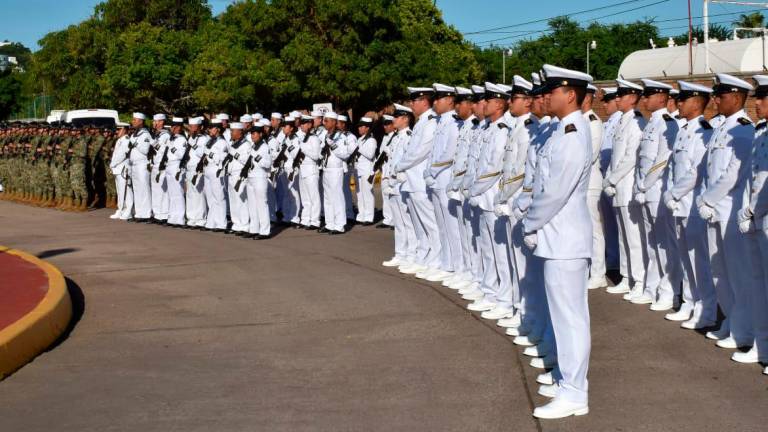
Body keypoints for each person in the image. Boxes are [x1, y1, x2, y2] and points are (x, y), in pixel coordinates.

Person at [523, 64, 593, 420]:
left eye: (552, 91)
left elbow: (554, 192)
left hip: (565, 238)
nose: (545, 97)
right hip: (559, 237)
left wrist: (530, 222)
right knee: (564, 316)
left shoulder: (572, 133)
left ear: (570, 95)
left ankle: (575, 392)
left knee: (571, 318)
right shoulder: (563, 132)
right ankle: (568, 381)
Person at [698, 73, 759, 350]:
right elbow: (710, 170)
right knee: (718, 269)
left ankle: (743, 330)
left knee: (737, 273)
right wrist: (706, 200)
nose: (715, 100)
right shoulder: (724, 126)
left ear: (736, 98)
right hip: (714, 210)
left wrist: (709, 200)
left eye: (720, 96)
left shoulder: (743, 129)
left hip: (728, 209)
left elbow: (733, 173)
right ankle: (730, 320)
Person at [662, 81, 718, 325]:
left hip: (692, 205)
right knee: (685, 258)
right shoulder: (685, 129)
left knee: (699, 261)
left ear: (696, 103)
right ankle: (689, 302)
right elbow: (676, 167)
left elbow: (696, 171)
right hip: (678, 205)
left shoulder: (703, 131)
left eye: (683, 100)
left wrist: (674, 193)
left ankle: (706, 309)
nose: (678, 104)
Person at [733, 74, 768, 367]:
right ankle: (762, 344)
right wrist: (748, 209)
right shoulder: (760, 132)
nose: (756, 103)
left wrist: (751, 210)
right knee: (758, 285)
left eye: (762, 97)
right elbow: (750, 178)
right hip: (757, 219)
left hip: (763, 217)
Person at [604, 79, 647, 296]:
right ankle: (626, 276)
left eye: (621, 95)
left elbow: (631, 157)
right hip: (617, 188)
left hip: (627, 186)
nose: (617, 99)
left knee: (633, 237)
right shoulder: (622, 120)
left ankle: (639, 280)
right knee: (622, 236)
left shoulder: (637, 122)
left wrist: (611, 179)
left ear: (632, 98)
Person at [395, 87, 442, 277]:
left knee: (430, 224)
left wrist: (400, 166)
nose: (411, 105)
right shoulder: (422, 122)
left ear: (424, 101)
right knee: (419, 224)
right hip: (412, 181)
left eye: (414, 101)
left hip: (420, 181)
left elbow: (420, 151)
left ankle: (435, 259)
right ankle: (423, 255)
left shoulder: (430, 122)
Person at [245, 124, 273, 239]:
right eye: (251, 133)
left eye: (254, 133)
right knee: (252, 205)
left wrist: (257, 157)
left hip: (260, 177)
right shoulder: (253, 146)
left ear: (260, 134)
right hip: (251, 177)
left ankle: (265, 231)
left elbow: (268, 164)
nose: (252, 136)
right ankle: (254, 228)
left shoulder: (264, 147)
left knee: (262, 204)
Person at [128, 113, 153, 222]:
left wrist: (135, 143)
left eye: (135, 120)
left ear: (141, 121)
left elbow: (145, 150)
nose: (133, 121)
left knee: (144, 188)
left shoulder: (145, 134)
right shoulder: (135, 134)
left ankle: (146, 213)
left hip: (142, 164)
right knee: (137, 189)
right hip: (134, 164)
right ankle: (139, 213)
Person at [354, 117, 377, 225]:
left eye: (361, 126)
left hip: (367, 170)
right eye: (359, 126)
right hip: (358, 170)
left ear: (367, 128)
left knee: (367, 194)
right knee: (360, 194)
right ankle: (361, 215)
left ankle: (369, 217)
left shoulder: (371, 140)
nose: (359, 128)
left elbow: (370, 154)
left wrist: (358, 147)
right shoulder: (360, 139)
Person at [109, 122, 133, 220]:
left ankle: (127, 210)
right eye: (117, 129)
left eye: (119, 129)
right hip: (117, 169)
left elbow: (121, 155)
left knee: (125, 190)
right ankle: (121, 209)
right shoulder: (120, 140)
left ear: (125, 130)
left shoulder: (126, 140)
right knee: (120, 190)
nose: (117, 131)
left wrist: (112, 164)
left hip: (122, 168)